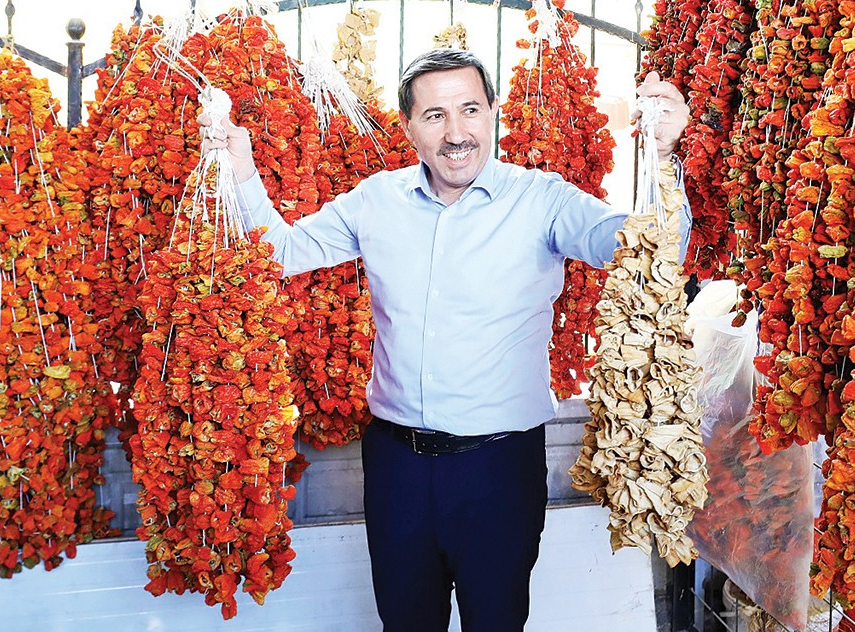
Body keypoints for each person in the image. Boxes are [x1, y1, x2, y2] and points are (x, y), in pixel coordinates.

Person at [208, 48, 690, 632]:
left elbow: (647, 250)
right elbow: (281, 252)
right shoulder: (376, 200)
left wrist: (664, 157)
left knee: (496, 621)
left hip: (498, 465)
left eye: (469, 109)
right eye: (434, 115)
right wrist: (240, 166)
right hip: (396, 466)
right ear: (408, 126)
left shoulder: (543, 200)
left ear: (493, 113)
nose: (456, 132)